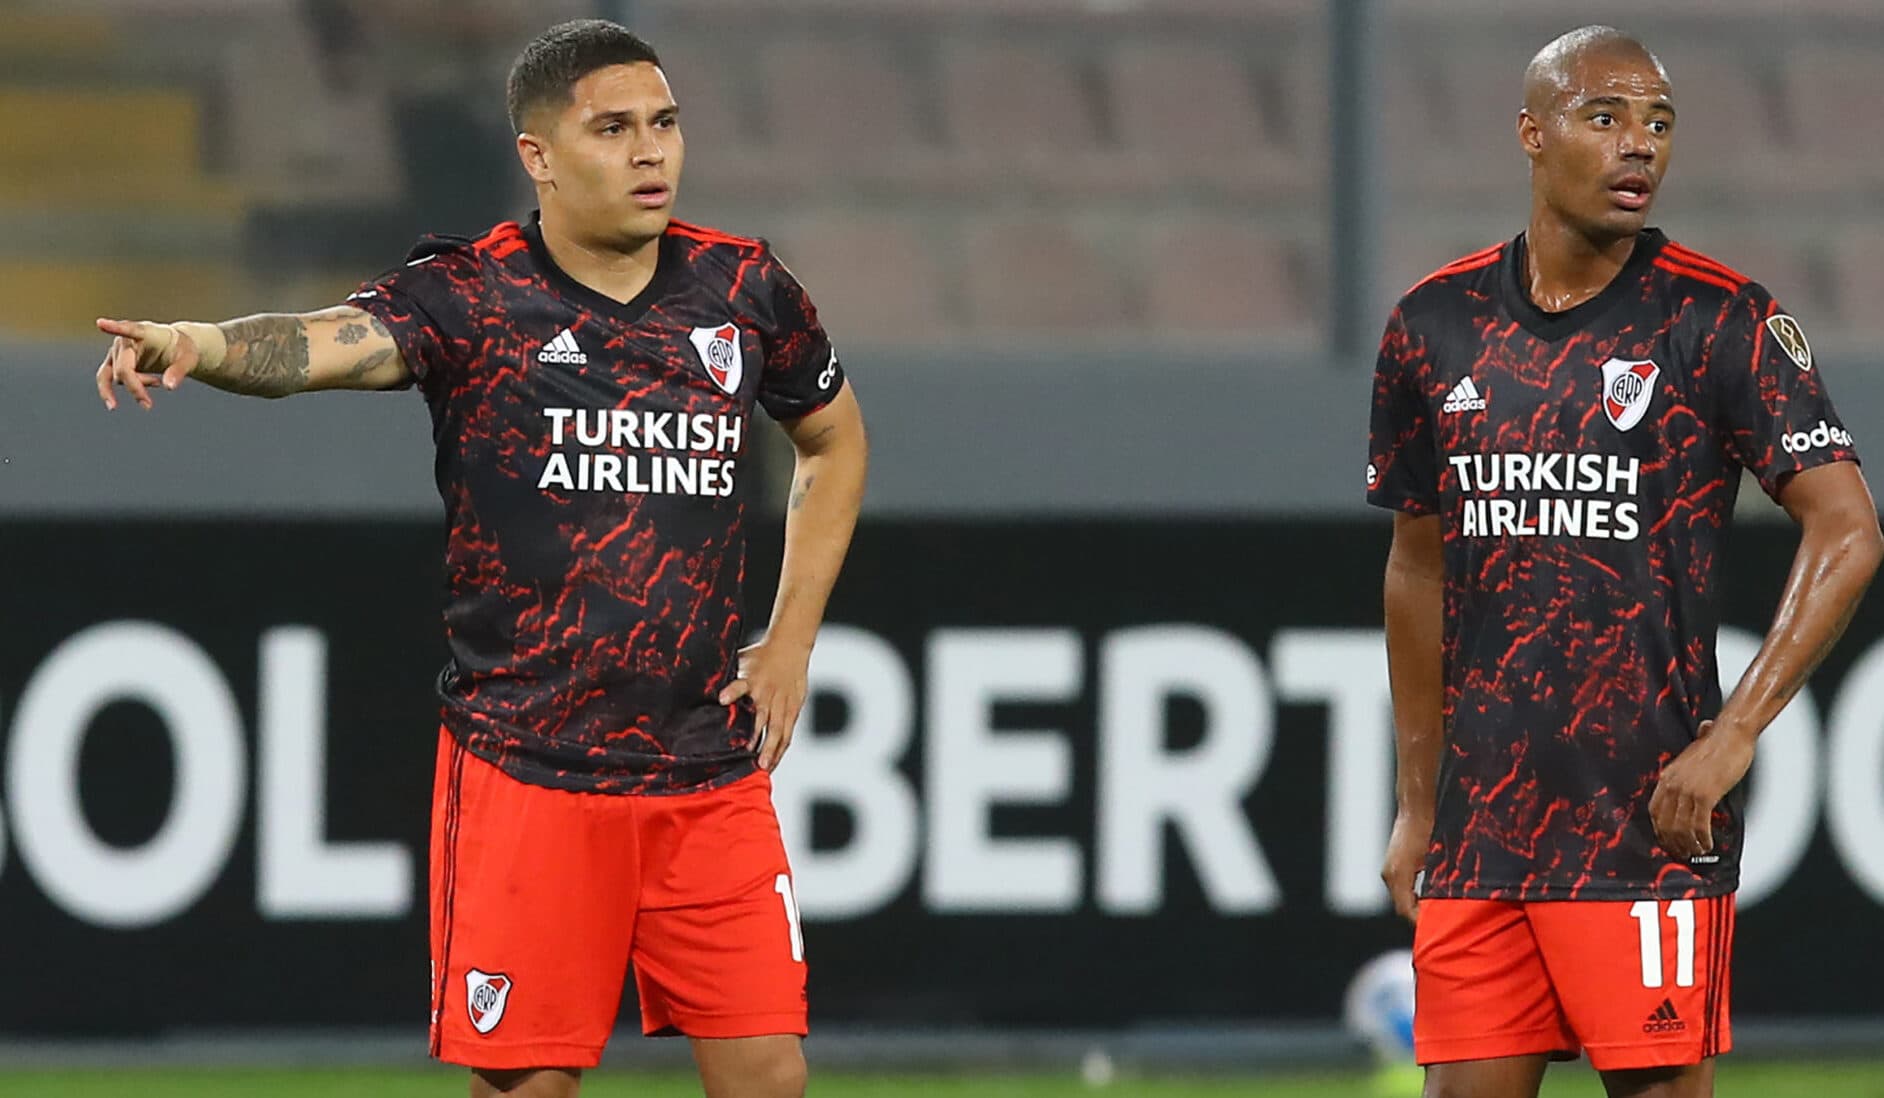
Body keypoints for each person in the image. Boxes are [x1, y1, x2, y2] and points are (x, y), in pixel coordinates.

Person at [93, 19, 866, 1098]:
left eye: (664, 124)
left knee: (771, 1076)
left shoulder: (743, 290)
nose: (651, 153)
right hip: (528, 767)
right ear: (538, 156)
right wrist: (200, 344)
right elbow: (321, 343)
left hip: (704, 765)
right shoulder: (475, 295)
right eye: (614, 129)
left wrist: (789, 640)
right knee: (529, 1087)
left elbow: (833, 438)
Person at [1367, 25, 1881, 1098]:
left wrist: (1733, 734)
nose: (1637, 144)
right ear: (1532, 133)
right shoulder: (1434, 326)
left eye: (1657, 122)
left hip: (1642, 826)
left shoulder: (1719, 319)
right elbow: (1418, 567)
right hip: (1483, 834)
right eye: (1605, 117)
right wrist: (1420, 802)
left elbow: (1848, 529)